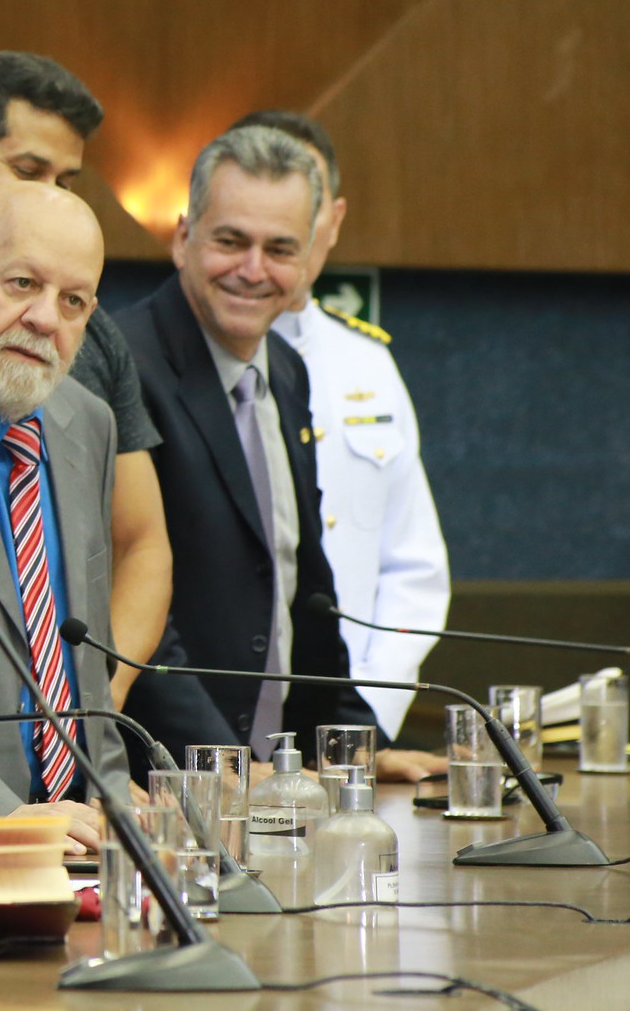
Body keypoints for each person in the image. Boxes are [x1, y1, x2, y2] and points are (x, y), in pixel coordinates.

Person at [0, 53, 171, 709]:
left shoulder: (91, 351)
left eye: (67, 180)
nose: (45, 318)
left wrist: (90, 715)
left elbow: (141, 543)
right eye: (28, 170)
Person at [114, 126, 394, 764]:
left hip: (270, 781)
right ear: (185, 237)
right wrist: (226, 766)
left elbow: (306, 587)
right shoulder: (121, 364)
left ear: (309, 262)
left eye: (280, 248)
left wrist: (355, 745)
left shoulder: (287, 372)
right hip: (164, 777)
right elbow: (129, 610)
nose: (253, 270)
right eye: (231, 241)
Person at [229, 111, 451, 739]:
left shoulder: (369, 363)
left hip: (349, 723)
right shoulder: (190, 360)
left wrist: (368, 723)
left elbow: (413, 568)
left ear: (330, 217)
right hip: (221, 726)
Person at [0, 181, 125, 853]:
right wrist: (4, 819)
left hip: (79, 858)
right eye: (22, 283)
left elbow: (85, 680)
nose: (44, 319)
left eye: (73, 301)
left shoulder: (85, 421)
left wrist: (120, 815)